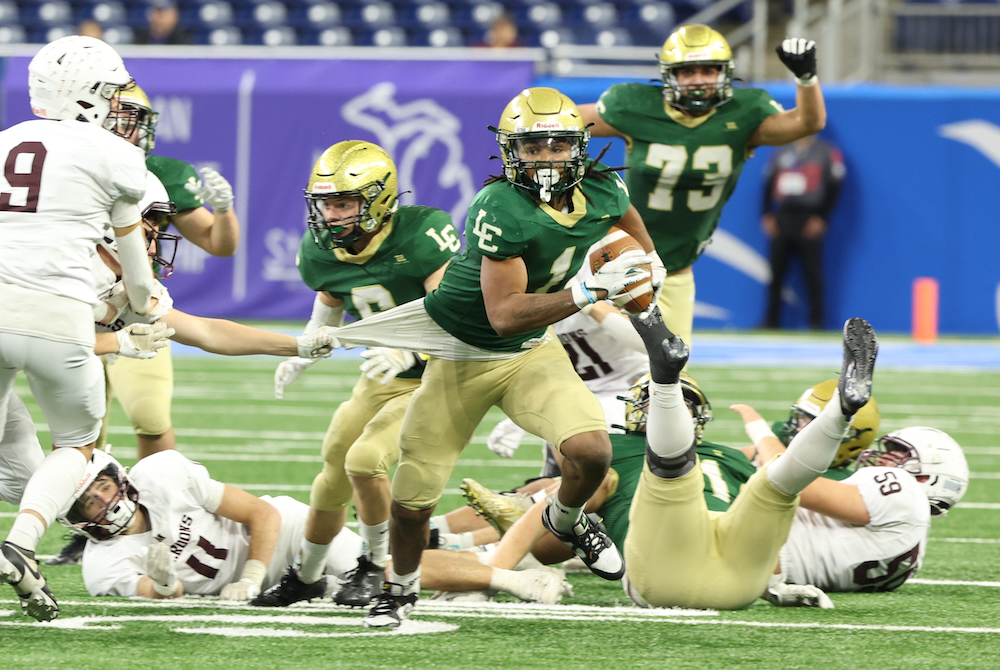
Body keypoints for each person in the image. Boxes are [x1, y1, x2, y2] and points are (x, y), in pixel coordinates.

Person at [315, 87, 663, 627]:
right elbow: (504, 313)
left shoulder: (604, 186)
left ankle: (567, 519)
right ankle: (400, 589)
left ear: (577, 147)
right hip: (462, 353)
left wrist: (651, 264)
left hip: (530, 353)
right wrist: (589, 293)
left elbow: (631, 225)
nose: (544, 159)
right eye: (531, 147)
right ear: (510, 150)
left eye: (555, 146)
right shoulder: (499, 206)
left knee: (592, 452)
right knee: (412, 498)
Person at [0, 35, 164, 623]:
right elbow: (140, 287)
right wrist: (139, 307)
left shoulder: (6, 142)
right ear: (91, 94)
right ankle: (21, 543)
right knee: (76, 443)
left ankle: (24, 554)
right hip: (58, 314)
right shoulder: (116, 156)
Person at [252, 141, 454, 610]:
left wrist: (410, 346)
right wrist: (304, 352)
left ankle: (375, 567)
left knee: (365, 461)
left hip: (437, 374)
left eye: (344, 203)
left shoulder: (423, 233)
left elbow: (452, 310)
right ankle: (305, 576)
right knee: (333, 468)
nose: (331, 214)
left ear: (379, 200)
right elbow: (328, 311)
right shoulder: (321, 253)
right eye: (325, 203)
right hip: (380, 375)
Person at [579, 26, 827, 351]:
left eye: (709, 70)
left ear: (725, 73)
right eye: (687, 71)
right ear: (670, 75)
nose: (699, 79)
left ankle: (589, 306)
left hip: (676, 270)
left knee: (674, 366)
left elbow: (808, 123)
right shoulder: (636, 105)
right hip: (613, 255)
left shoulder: (745, 112)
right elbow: (566, 121)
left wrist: (806, 79)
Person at [620, 309, 877, 609]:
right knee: (778, 487)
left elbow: (570, 500)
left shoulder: (614, 447)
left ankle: (664, 380)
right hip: (742, 586)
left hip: (662, 576)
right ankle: (840, 413)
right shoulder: (728, 455)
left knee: (669, 472)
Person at [60, 449, 360, 600]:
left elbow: (264, 513)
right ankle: (320, 586)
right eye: (89, 501)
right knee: (346, 599)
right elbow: (165, 591)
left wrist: (250, 580)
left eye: (102, 485)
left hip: (285, 535)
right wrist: (163, 583)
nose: (102, 500)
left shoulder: (160, 474)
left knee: (376, 577)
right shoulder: (100, 566)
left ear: (117, 478)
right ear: (77, 519)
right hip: (245, 589)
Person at [734, 411, 969, 595]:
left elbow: (790, 481)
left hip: (747, 544)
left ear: (926, 477)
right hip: (753, 571)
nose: (883, 458)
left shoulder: (904, 491)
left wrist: (760, 430)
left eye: (898, 454)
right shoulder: (909, 565)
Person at [761, 135, 845, 330]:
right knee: (776, 272)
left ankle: (816, 321)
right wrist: (767, 213)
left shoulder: (826, 151)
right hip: (783, 215)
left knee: (812, 272)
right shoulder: (782, 150)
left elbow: (835, 186)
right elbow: (768, 181)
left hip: (809, 216)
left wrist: (822, 217)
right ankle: (771, 320)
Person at [764, 378, 880, 481]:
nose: (799, 429)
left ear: (848, 435)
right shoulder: (779, 436)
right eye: (801, 419)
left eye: (811, 425)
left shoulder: (841, 486)